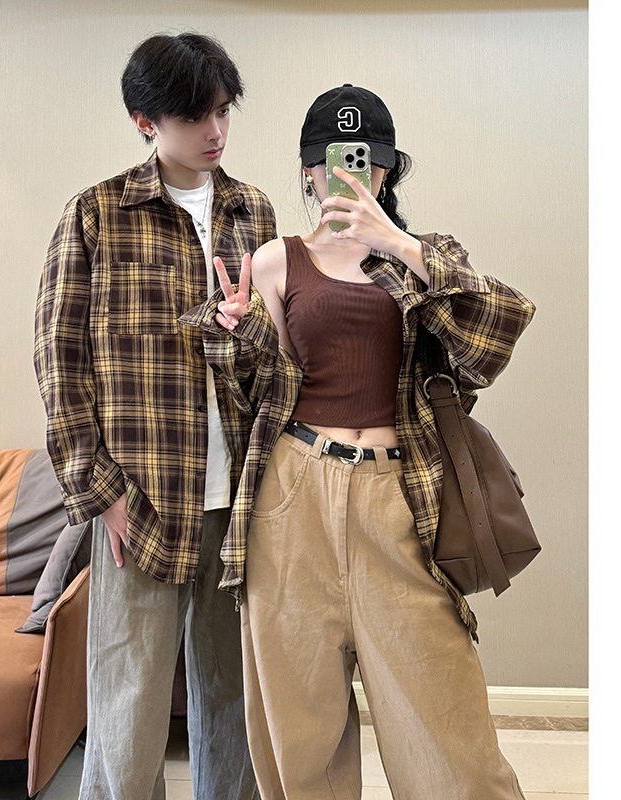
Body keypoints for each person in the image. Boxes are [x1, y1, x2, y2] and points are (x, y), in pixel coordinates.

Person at [180, 84, 536, 799]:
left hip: (397, 496)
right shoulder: (274, 261)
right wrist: (237, 335)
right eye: (332, 163)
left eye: (365, 162)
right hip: (292, 495)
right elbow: (260, 397)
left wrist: (394, 243)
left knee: (448, 726)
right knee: (299, 727)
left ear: (386, 169)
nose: (348, 176)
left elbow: (495, 334)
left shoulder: (426, 257)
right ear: (309, 172)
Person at [34, 33, 275, 800]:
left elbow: (274, 359)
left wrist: (249, 333)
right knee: (128, 710)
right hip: (138, 502)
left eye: (223, 111)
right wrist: (99, 493)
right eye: (195, 115)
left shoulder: (253, 211)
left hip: (239, 504)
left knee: (234, 706)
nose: (216, 130)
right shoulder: (96, 214)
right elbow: (59, 361)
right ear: (146, 121)